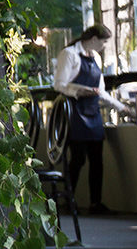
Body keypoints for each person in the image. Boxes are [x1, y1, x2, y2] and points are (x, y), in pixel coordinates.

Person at [53, 24, 126, 213]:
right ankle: (68, 200)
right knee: (77, 159)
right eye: (104, 41)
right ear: (94, 39)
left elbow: (101, 91)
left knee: (97, 160)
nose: (104, 46)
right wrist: (79, 91)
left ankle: (95, 203)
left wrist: (121, 107)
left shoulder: (96, 58)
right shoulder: (69, 54)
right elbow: (59, 84)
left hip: (93, 112)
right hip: (75, 111)